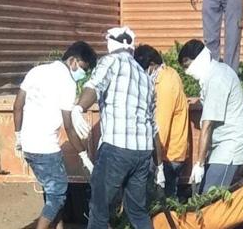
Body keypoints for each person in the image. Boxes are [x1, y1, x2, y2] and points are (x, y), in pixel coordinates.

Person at [74, 27, 164, 229]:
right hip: (142, 153)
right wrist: (159, 167)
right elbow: (152, 126)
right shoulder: (146, 78)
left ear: (111, 44)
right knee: (138, 212)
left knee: (99, 210)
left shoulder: (111, 61)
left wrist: (79, 108)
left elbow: (94, 86)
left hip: (116, 149)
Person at [13, 41, 97, 229]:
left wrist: (18, 136)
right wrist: (84, 156)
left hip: (28, 145)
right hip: (46, 148)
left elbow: (18, 106)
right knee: (58, 196)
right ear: (73, 61)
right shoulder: (66, 82)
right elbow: (68, 125)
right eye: (83, 68)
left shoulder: (36, 71)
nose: (82, 73)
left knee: (52, 193)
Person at [178, 39, 243, 193]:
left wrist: (199, 163)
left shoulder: (217, 79)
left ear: (199, 60)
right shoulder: (216, 72)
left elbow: (207, 125)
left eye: (188, 66)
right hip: (222, 146)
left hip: (231, 147)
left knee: (210, 197)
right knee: (212, 196)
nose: (187, 72)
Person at [134, 44, 190, 198]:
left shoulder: (165, 84)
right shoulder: (168, 74)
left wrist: (154, 161)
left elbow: (160, 129)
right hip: (169, 153)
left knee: (159, 204)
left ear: (151, 65)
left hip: (167, 155)